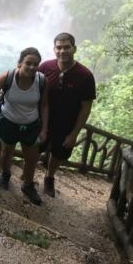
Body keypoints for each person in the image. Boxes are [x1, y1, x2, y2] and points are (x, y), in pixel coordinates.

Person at [0, 47, 49, 205]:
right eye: (28, 63)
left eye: (36, 64)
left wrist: (44, 129)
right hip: (8, 122)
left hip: (31, 125)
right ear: (20, 63)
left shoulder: (42, 81)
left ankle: (28, 185)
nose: (32, 67)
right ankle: (5, 175)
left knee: (32, 158)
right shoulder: (7, 77)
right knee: (6, 152)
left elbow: (44, 106)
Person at [38, 32, 96, 198]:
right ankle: (28, 175)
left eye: (67, 47)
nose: (62, 51)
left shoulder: (85, 76)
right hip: (42, 121)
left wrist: (74, 134)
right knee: (35, 147)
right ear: (54, 49)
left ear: (74, 49)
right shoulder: (45, 67)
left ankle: (49, 178)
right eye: (59, 47)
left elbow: (86, 107)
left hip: (66, 124)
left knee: (58, 153)